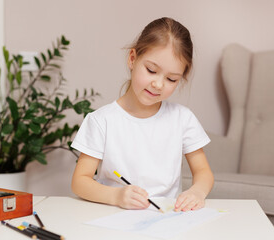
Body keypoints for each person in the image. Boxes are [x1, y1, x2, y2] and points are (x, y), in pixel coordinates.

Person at [71, 17, 214, 212]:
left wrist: (197, 192)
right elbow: (80, 181)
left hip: (165, 219)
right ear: (132, 59)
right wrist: (116, 196)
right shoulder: (101, 121)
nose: (159, 84)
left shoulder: (183, 119)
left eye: (171, 79)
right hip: (114, 217)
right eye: (151, 70)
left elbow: (203, 172)